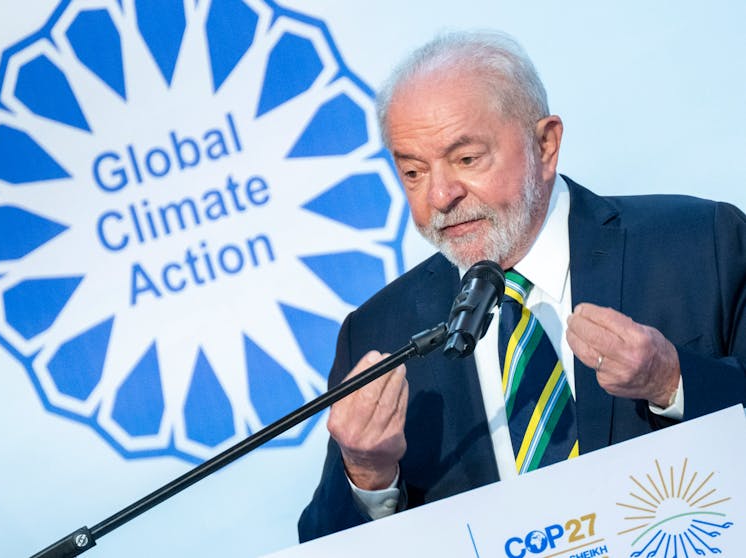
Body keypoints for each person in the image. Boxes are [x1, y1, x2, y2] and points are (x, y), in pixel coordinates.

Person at [298, 30, 746, 542]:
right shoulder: (379, 332)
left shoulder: (699, 243)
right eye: (414, 172)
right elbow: (324, 544)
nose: (440, 196)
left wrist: (676, 381)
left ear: (545, 145)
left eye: (466, 159)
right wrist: (367, 476)